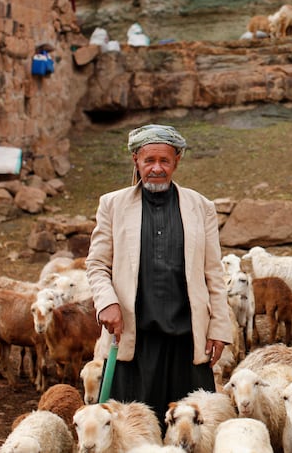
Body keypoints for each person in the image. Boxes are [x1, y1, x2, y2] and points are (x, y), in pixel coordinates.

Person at [86, 124, 233, 428]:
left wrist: (219, 327)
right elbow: (97, 264)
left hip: (186, 339)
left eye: (164, 161)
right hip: (133, 339)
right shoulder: (112, 205)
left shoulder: (200, 206)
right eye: (148, 160)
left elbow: (213, 273)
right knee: (131, 429)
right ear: (135, 161)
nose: (156, 168)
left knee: (190, 430)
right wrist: (107, 303)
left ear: (176, 161)